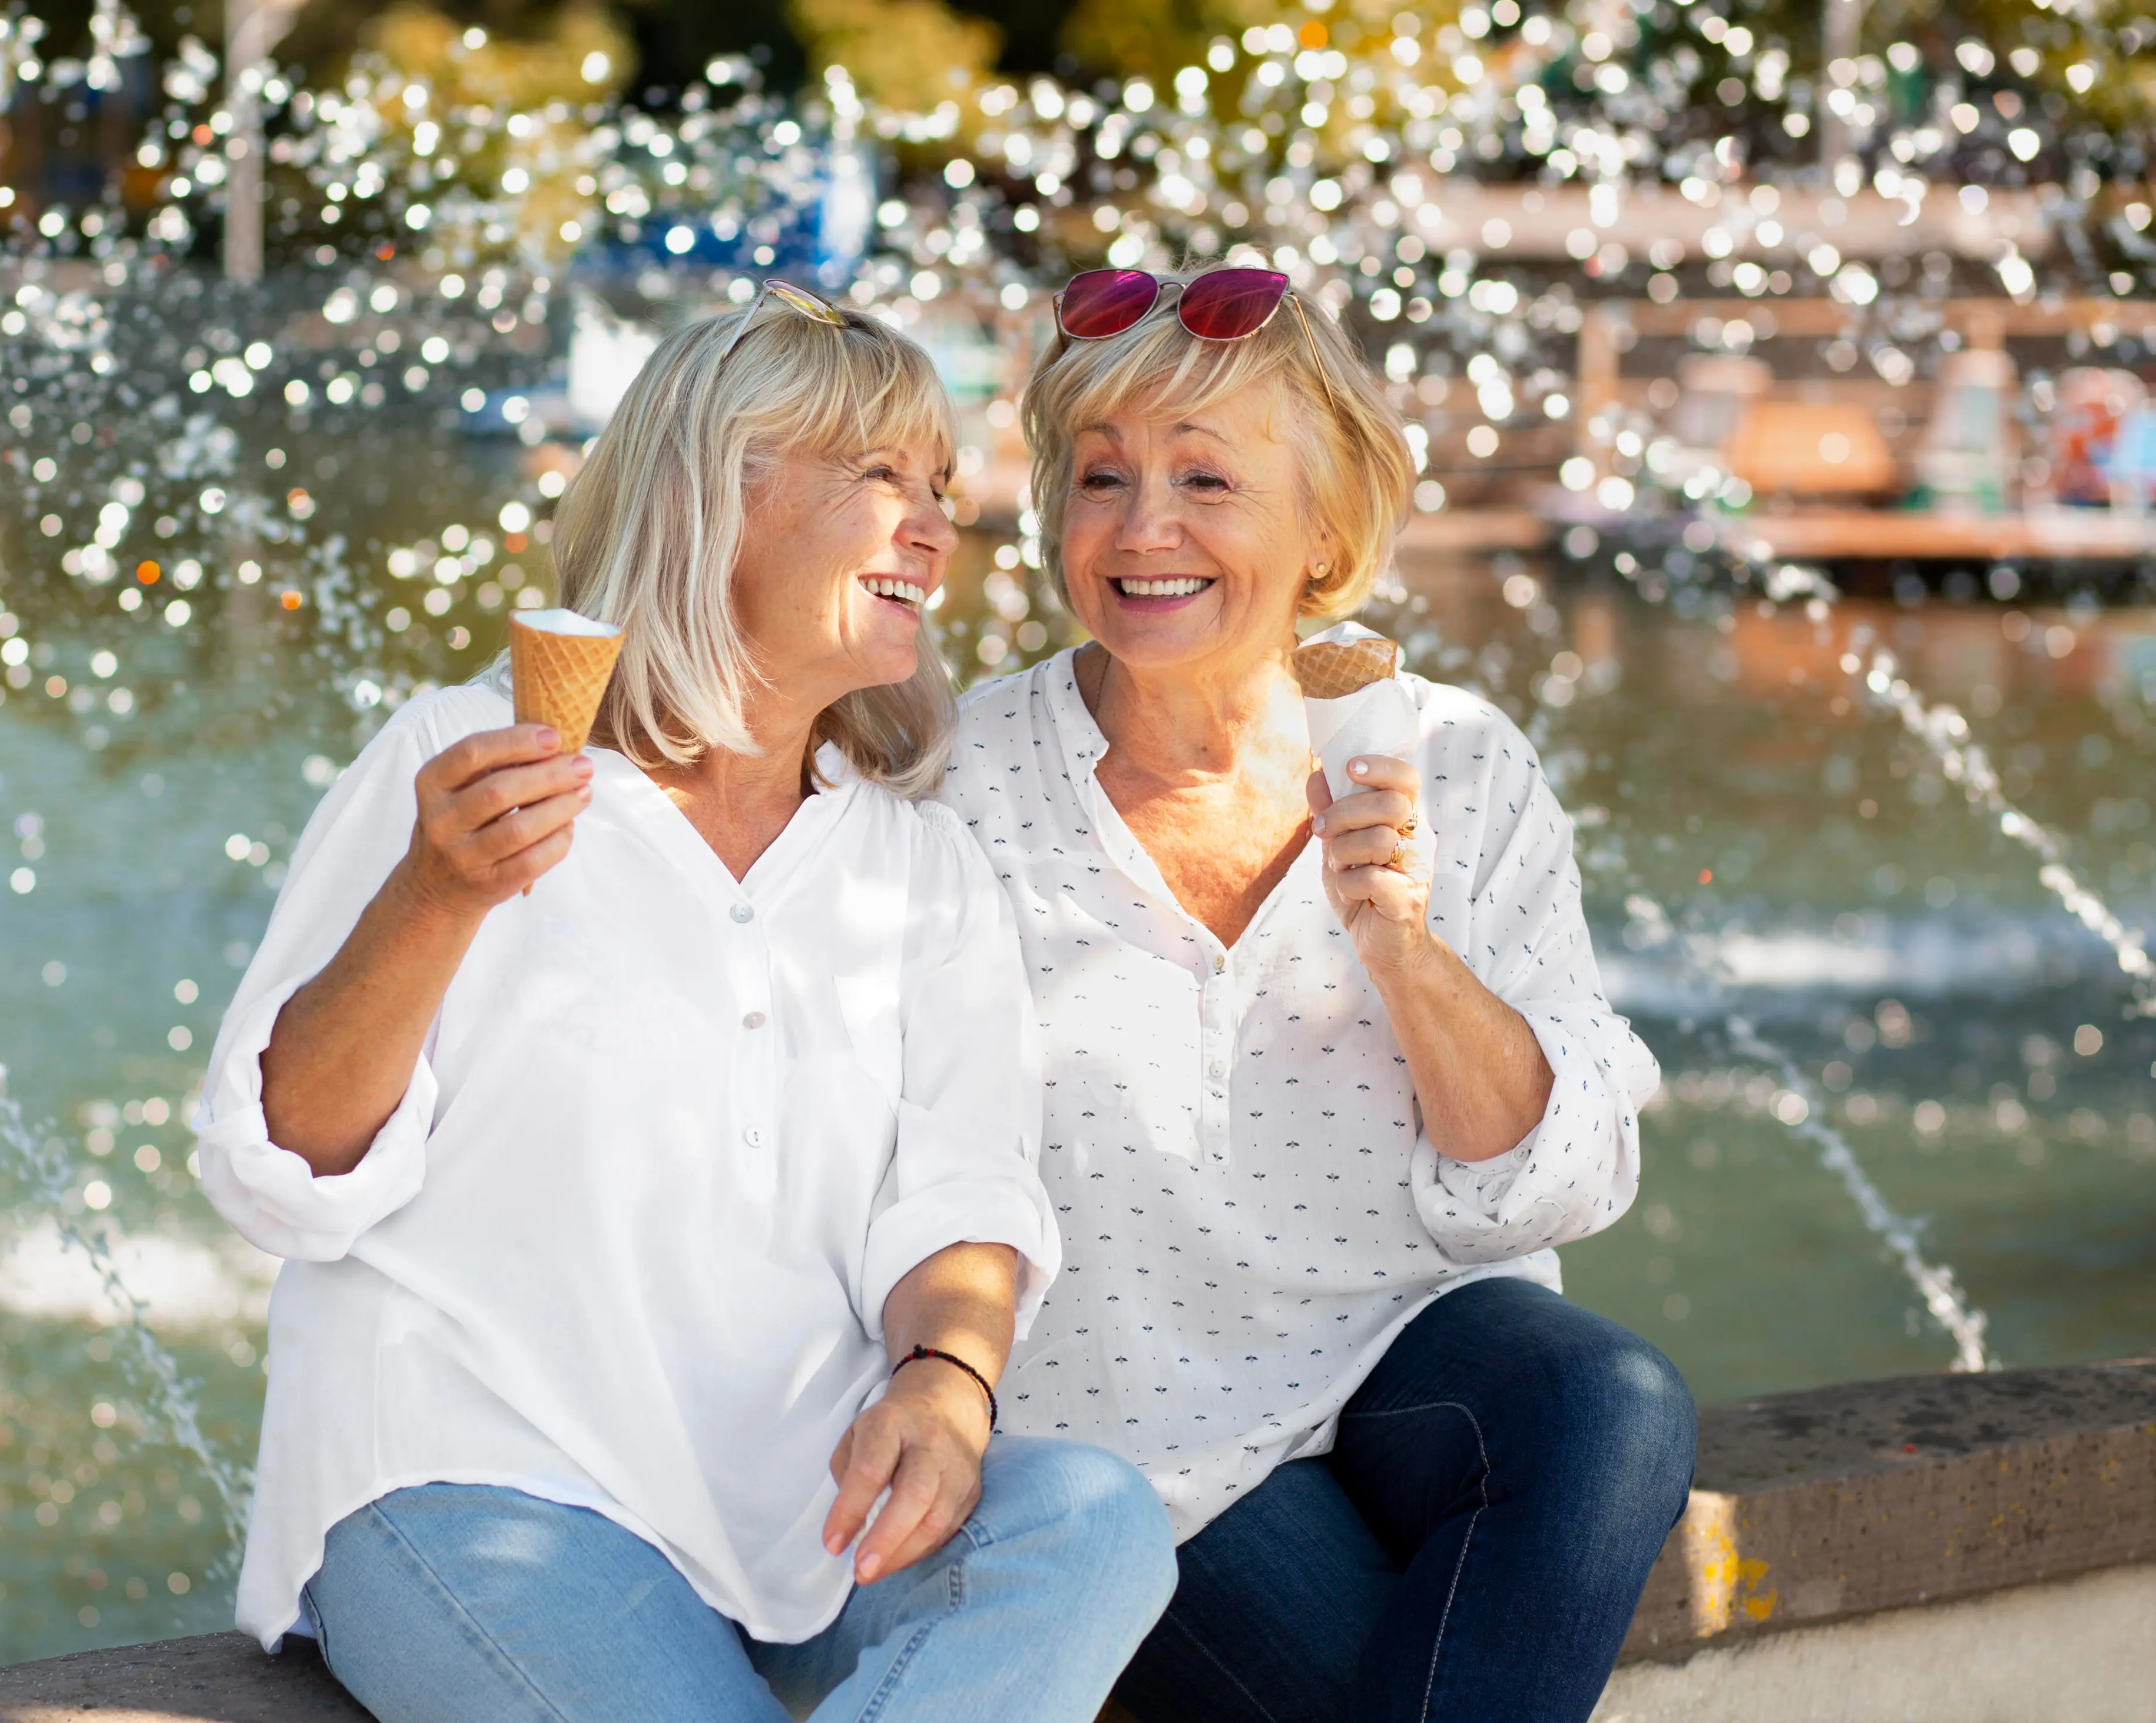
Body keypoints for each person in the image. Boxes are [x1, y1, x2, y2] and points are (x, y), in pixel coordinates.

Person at [194, 284, 1175, 1723]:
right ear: (720, 495)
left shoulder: (918, 860)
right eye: (879, 478)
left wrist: (944, 1378)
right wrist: (435, 896)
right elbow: (279, 1170)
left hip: (804, 1516)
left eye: (940, 489)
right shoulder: (468, 759)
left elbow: (960, 1186)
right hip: (471, 1483)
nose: (931, 525)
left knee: (1088, 1518)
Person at [939, 264, 1696, 1723]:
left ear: (1325, 527)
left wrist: (1403, 949)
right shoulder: (955, 787)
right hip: (1128, 1433)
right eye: (1098, 475)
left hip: (1405, 1364)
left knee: (1613, 1402)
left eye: (1204, 478)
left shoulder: (1460, 765)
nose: (1141, 526)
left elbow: (1559, 1182)